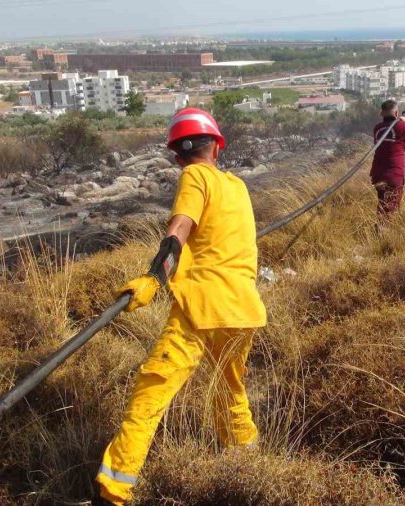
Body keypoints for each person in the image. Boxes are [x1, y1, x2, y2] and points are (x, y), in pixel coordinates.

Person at [95, 108, 266, 505]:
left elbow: (179, 229)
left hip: (201, 308)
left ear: (176, 156)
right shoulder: (238, 186)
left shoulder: (194, 176)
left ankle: (113, 491)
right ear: (217, 148)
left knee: (151, 391)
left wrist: (155, 277)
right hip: (244, 309)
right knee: (229, 389)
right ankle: (246, 464)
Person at [370, 99, 405, 217]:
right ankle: (382, 233)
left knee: (383, 205)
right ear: (397, 113)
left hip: (377, 174)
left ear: (381, 113)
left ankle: (377, 232)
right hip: (393, 174)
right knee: (390, 210)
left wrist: (404, 123)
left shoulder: (377, 128)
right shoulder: (402, 126)